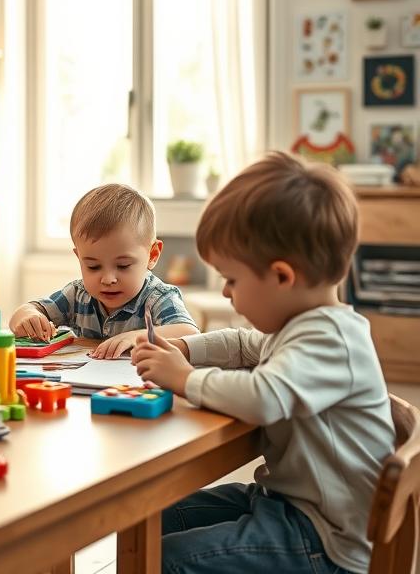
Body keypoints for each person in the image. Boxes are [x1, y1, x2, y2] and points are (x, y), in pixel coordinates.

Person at [133, 151, 394, 573]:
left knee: (165, 560)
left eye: (231, 279)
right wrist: (185, 348)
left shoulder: (330, 340)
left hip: (324, 538)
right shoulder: (302, 326)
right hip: (286, 504)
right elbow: (244, 345)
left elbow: (264, 397)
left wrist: (185, 379)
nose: (225, 292)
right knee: (150, 521)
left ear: (282, 277)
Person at [9, 183, 199, 358]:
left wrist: (137, 337)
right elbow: (27, 311)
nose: (108, 279)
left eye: (123, 265)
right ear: (79, 258)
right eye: (93, 266)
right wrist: (28, 317)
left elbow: (189, 333)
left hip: (139, 381)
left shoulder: (157, 297)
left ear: (152, 255)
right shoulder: (77, 294)